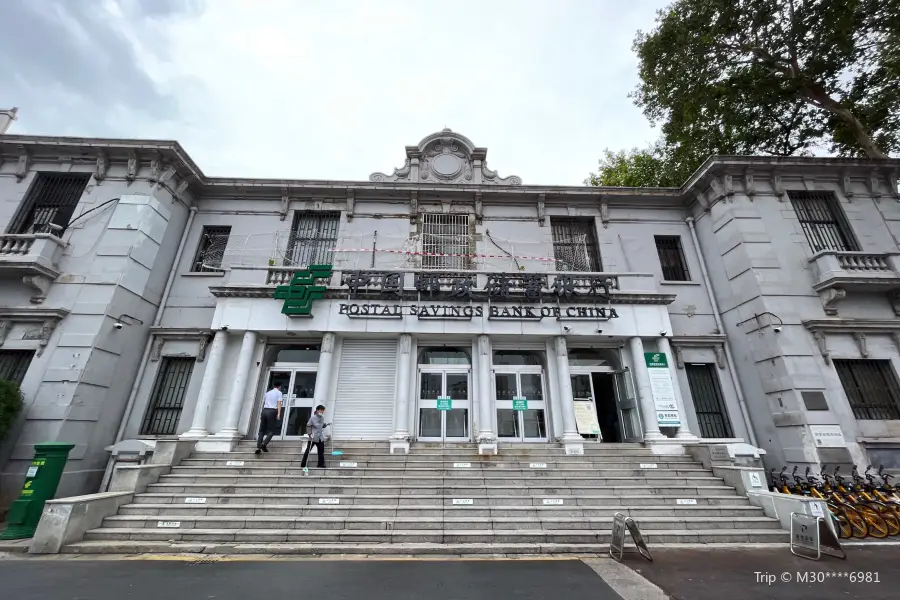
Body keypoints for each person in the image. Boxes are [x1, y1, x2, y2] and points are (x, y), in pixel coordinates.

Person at [255, 382, 283, 455]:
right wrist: (279, 413)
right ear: (279, 386)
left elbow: (264, 402)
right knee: (271, 430)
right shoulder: (279, 393)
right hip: (272, 411)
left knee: (262, 430)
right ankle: (263, 444)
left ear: (273, 386)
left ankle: (258, 447)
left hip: (264, 411)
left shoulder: (267, 393)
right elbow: (279, 403)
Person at [301, 404, 328, 472]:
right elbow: (309, 425)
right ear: (317, 410)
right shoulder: (313, 418)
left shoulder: (322, 418)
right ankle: (303, 464)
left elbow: (321, 426)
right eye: (321, 411)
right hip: (313, 436)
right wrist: (309, 434)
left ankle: (321, 464)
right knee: (308, 450)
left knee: (321, 451)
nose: (321, 412)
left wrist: (325, 425)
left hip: (320, 437)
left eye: (322, 411)